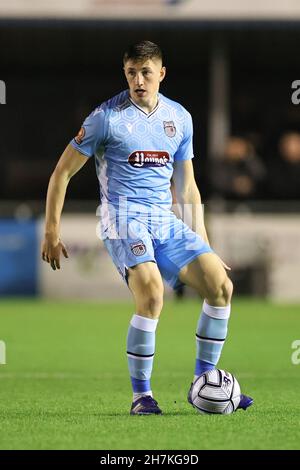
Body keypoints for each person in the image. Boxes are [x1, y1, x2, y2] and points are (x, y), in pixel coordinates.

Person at [41, 40, 253, 415]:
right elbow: (62, 173)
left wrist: (204, 245)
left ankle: (201, 383)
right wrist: (51, 232)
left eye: (146, 72)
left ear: (161, 73)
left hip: (163, 219)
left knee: (221, 285)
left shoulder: (180, 118)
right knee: (152, 294)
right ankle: (142, 396)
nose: (138, 80)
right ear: (125, 73)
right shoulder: (105, 118)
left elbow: (187, 188)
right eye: (131, 73)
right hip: (121, 217)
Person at [210, 136, 266, 200]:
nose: (236, 150)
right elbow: (217, 182)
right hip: (225, 202)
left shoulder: (247, 162)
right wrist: (234, 185)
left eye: (239, 147)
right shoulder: (220, 163)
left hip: (251, 201)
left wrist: (249, 156)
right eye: (234, 146)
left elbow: (260, 175)